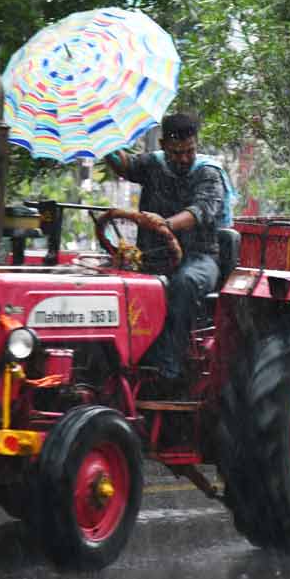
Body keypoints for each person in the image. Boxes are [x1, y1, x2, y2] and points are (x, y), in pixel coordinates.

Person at [104, 113, 233, 389]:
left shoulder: (208, 173)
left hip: (200, 258)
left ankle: (168, 366)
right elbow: (124, 165)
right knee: (112, 279)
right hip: (154, 257)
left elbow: (200, 212)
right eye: (177, 152)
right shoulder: (153, 165)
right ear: (163, 145)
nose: (184, 158)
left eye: (190, 151)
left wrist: (165, 224)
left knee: (185, 282)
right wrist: (102, 142)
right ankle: (116, 360)